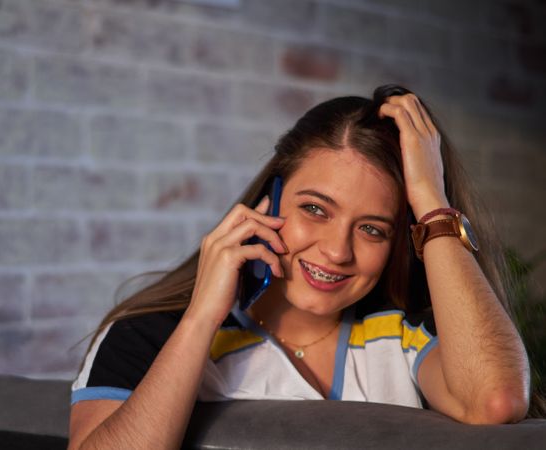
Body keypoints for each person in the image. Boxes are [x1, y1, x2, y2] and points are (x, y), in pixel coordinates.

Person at [68, 85, 533, 449]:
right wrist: (200, 320)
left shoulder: (404, 336)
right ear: (267, 201)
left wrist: (431, 200)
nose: (336, 251)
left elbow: (495, 401)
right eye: (315, 209)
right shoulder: (148, 333)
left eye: (372, 229)